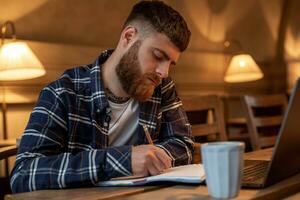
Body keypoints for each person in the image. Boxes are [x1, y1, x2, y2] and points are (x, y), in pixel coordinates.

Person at [10, 0, 194, 193]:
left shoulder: (162, 88)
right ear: (128, 37)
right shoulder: (62, 93)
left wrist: (153, 158)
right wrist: (122, 160)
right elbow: (23, 174)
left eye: (170, 63)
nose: (164, 72)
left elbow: (183, 144)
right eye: (157, 56)